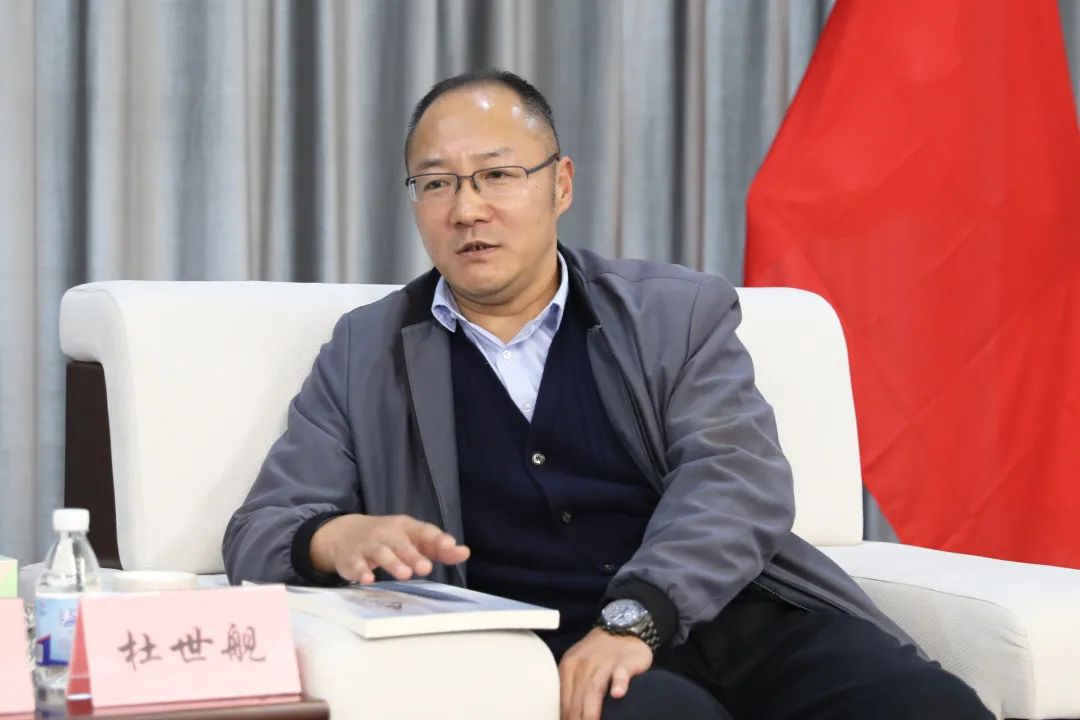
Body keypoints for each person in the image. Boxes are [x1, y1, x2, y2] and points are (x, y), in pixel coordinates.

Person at [223, 69, 991, 720]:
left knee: (930, 707)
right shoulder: (366, 351)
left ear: (560, 184)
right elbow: (260, 529)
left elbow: (737, 480)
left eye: (497, 174)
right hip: (555, 651)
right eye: (436, 184)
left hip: (730, 614)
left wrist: (637, 617)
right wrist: (331, 538)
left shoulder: (674, 313)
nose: (467, 209)